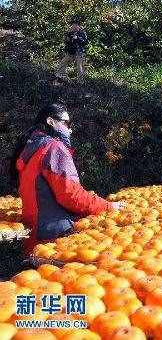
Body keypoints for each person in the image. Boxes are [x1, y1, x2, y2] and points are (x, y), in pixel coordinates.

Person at [11, 103, 124, 252]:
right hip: (54, 239)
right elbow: (71, 195)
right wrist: (107, 206)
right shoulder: (53, 148)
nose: (70, 129)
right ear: (50, 121)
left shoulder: (31, 147)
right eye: (66, 123)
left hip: (34, 236)